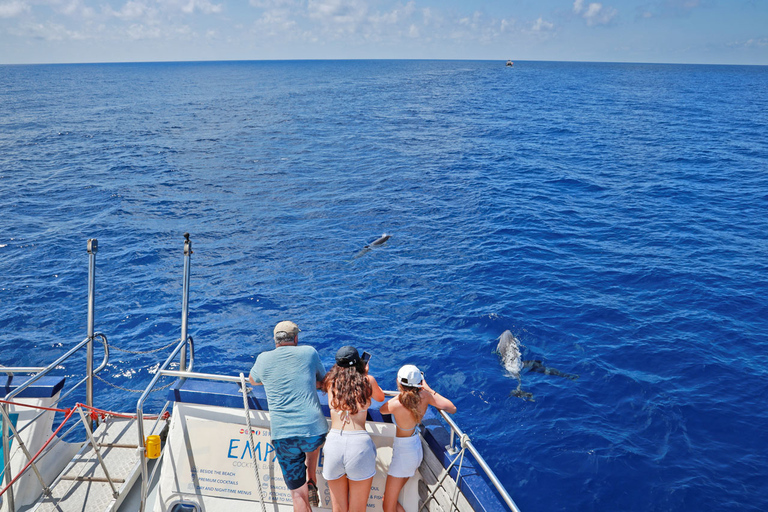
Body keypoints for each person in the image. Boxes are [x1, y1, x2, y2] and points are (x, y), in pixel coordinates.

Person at [249, 320, 327, 512]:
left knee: (298, 496)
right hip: (314, 431)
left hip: (283, 436)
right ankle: (312, 479)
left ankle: (305, 485)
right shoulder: (309, 352)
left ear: (275, 340)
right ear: (296, 338)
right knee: (312, 443)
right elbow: (322, 380)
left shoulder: (263, 358)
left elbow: (253, 380)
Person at [379, 364, 456, 512]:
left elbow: (382, 409)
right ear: (420, 383)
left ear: (399, 383)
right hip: (415, 451)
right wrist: (427, 389)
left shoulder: (395, 403)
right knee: (388, 501)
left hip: (402, 456)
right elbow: (451, 408)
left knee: (387, 507)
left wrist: (400, 393)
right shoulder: (426, 397)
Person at [321, 346, 386, 512]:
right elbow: (380, 397)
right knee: (358, 509)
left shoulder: (330, 381)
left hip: (334, 442)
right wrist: (364, 373)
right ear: (359, 362)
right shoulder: (367, 380)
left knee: (338, 508)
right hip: (358, 444)